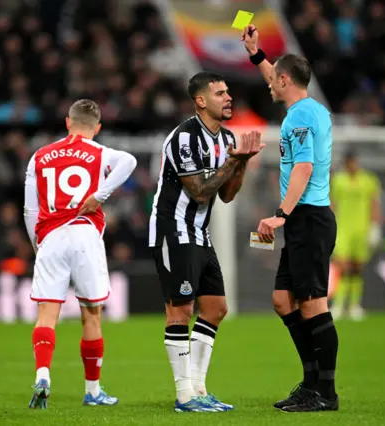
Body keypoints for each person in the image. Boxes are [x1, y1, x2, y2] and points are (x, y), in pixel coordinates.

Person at [149, 71, 263, 412]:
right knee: (181, 310)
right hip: (174, 231)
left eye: (228, 92)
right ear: (200, 101)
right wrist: (233, 160)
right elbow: (199, 191)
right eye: (219, 93)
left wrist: (240, 163)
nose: (228, 98)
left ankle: (199, 389)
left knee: (216, 309)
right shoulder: (184, 138)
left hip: (200, 233)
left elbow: (227, 195)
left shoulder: (227, 138)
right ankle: (184, 395)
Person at [244, 25, 339, 412]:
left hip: (308, 218)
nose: (269, 85)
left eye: (274, 80)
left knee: (313, 303)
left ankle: (325, 392)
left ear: (286, 80)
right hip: (305, 220)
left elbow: (302, 166)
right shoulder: (311, 107)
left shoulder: (297, 119)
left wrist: (282, 214)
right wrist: (256, 55)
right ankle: (311, 382)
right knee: (284, 300)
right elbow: (277, 76)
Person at [23, 99, 137, 409]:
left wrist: (38, 244)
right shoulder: (100, 152)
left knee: (47, 313)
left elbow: (30, 209)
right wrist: (99, 196)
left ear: (67, 122)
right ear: (97, 128)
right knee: (91, 314)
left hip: (51, 237)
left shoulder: (40, 155)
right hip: (86, 235)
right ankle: (93, 390)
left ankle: (43, 374)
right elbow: (129, 161)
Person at [330, 150, 381, 320]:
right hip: (343, 229)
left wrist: (375, 226)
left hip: (362, 230)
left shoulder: (368, 180)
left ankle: (354, 305)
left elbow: (374, 203)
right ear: (346, 163)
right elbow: (333, 204)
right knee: (343, 266)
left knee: (358, 268)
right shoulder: (338, 180)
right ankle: (339, 304)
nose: (353, 165)